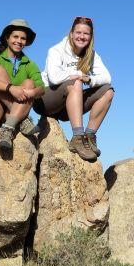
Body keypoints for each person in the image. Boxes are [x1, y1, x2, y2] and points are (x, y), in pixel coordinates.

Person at [34, 17, 114, 161]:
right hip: (46, 100)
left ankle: (88, 136)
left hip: (68, 106)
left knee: (108, 91)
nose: (81, 37)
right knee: (75, 82)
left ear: (91, 37)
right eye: (78, 32)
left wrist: (90, 79)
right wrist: (79, 75)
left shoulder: (91, 55)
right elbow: (54, 78)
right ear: (71, 33)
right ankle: (77, 136)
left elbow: (107, 77)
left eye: (86, 34)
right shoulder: (56, 50)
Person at [0, 19, 45, 152]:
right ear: (7, 38)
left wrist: (32, 93)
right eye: (15, 36)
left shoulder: (29, 64)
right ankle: (22, 119)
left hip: (10, 116)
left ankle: (8, 129)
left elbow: (41, 88)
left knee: (30, 83)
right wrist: (10, 88)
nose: (19, 41)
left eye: (23, 38)